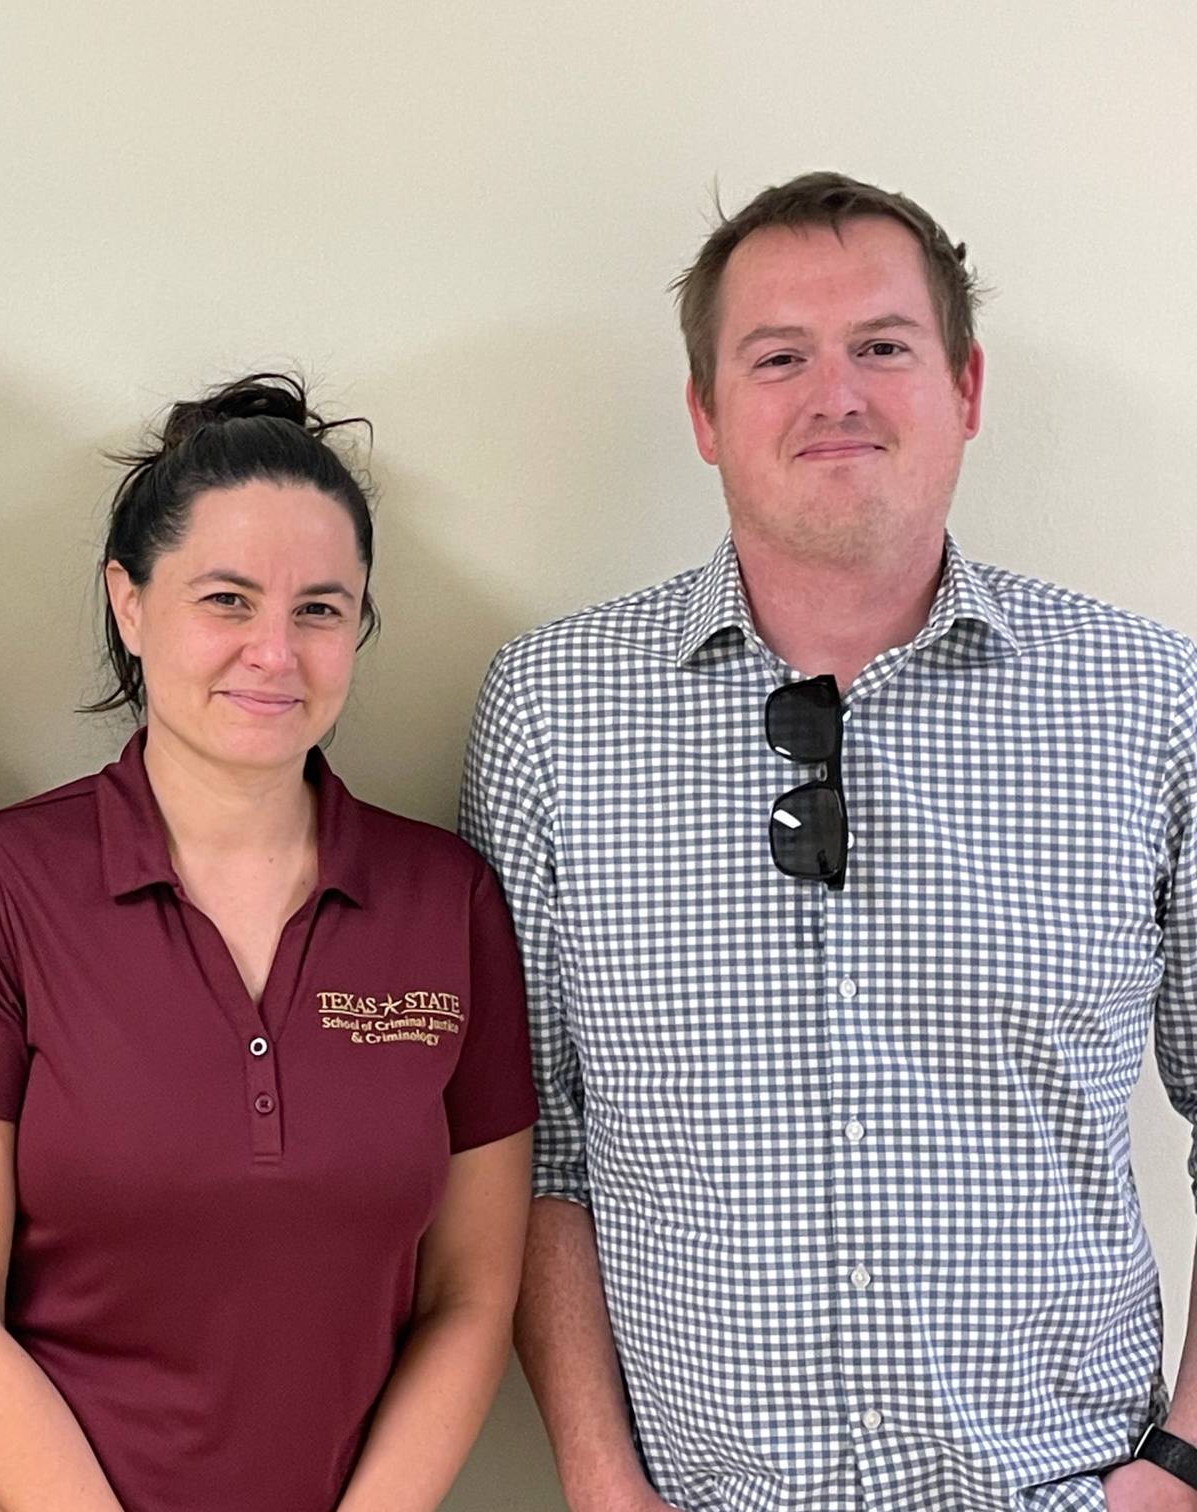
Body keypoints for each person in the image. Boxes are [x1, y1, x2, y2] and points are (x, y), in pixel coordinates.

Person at [462, 170, 1197, 1511]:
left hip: (1063, 1489)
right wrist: (599, 1481)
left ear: (967, 388)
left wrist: (1186, 1466)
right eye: (778, 357)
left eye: (883, 347)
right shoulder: (553, 714)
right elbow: (535, 1140)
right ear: (704, 413)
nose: (836, 393)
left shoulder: (1151, 704)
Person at [0, 374, 535, 1512]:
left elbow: (474, 1294)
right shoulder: (0, 886)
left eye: (321, 609)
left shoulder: (449, 902)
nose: (275, 653)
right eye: (227, 600)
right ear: (130, 606)